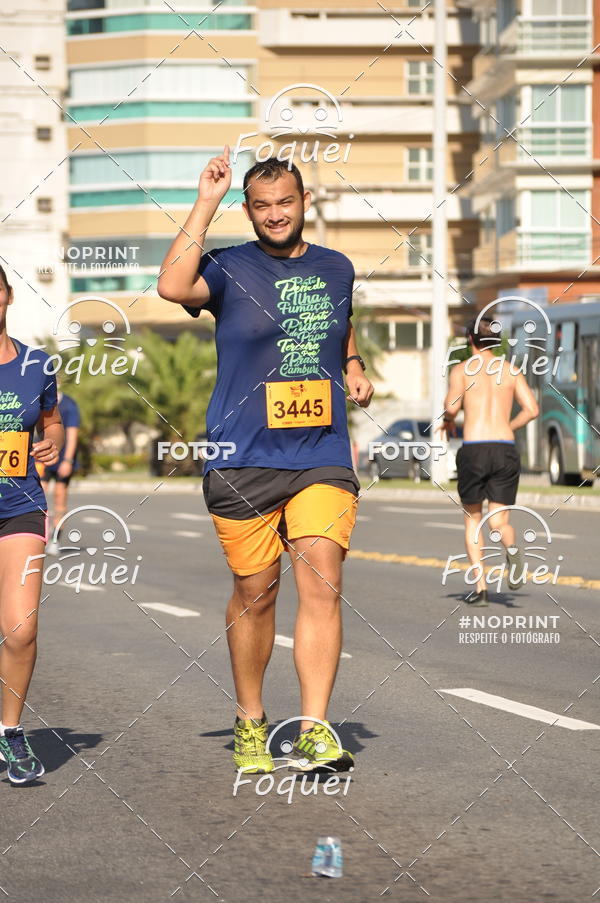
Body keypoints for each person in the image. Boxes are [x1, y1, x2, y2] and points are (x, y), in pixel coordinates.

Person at [158, 148, 373, 774]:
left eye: (286, 202)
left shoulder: (337, 267)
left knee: (322, 580)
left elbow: (340, 323)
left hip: (321, 453)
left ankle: (314, 728)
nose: (276, 215)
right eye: (262, 206)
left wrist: (352, 363)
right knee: (256, 593)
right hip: (242, 455)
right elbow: (172, 285)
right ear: (248, 212)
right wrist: (206, 200)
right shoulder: (227, 268)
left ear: (305, 203)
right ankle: (251, 717)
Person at [0, 263, 64, 783]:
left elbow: (51, 420)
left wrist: (53, 441)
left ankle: (11, 733)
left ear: (8, 295)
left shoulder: (36, 364)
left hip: (20, 504)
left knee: (21, 629)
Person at [441, 315, 539, 606]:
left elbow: (452, 406)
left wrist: (448, 420)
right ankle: (511, 548)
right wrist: (510, 426)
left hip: (474, 449)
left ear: (470, 339)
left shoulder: (461, 370)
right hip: (504, 448)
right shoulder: (510, 370)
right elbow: (532, 409)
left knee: (473, 520)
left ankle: (481, 588)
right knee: (498, 520)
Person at [41, 384, 80, 555]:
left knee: (59, 498)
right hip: (43, 458)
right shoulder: (40, 401)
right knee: (38, 498)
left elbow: (72, 435)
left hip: (63, 460)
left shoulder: (69, 405)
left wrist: (68, 460)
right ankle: (39, 536)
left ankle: (55, 539)